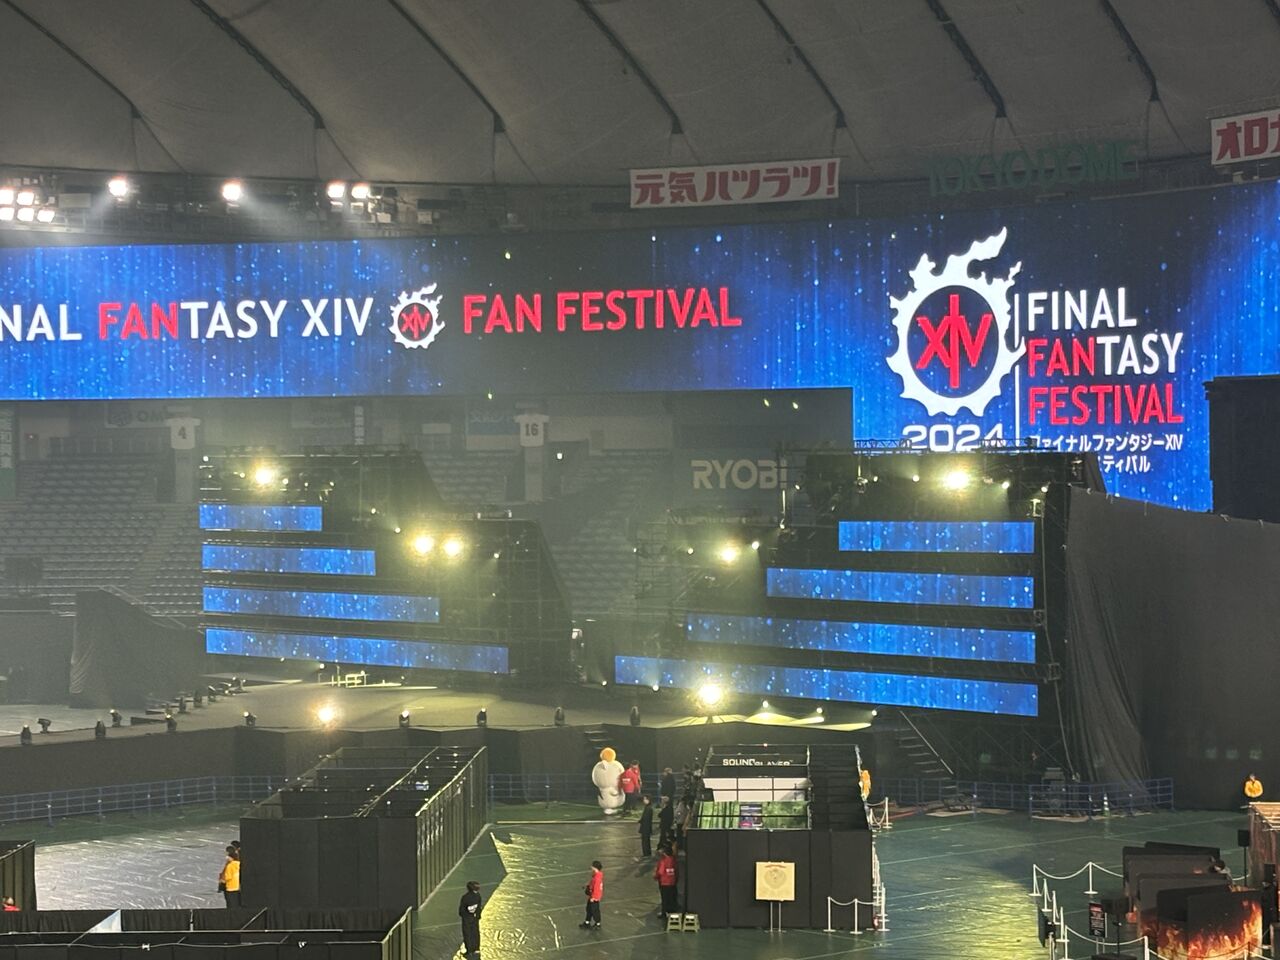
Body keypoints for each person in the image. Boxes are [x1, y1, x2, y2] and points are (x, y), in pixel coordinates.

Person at [458, 880, 482, 958]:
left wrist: (464, 915)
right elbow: (479, 907)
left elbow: (462, 910)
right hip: (475, 918)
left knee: (467, 934)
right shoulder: (478, 896)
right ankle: (476, 948)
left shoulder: (465, 897)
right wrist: (477, 916)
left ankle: (469, 950)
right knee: (475, 933)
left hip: (467, 918)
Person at [654, 845, 679, 918]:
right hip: (672, 882)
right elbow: (676, 870)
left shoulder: (663, 861)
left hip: (664, 882)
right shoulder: (673, 860)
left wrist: (656, 877)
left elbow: (660, 872)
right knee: (672, 896)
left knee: (665, 898)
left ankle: (664, 912)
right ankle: (673, 910)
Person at [579, 861, 604, 929]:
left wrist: (593, 897)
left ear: (595, 867)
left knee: (594, 911)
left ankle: (597, 924)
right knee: (589, 909)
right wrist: (587, 885)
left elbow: (596, 889)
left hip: (594, 898)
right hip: (592, 896)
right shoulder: (596, 875)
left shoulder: (597, 878)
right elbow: (593, 883)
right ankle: (587, 922)